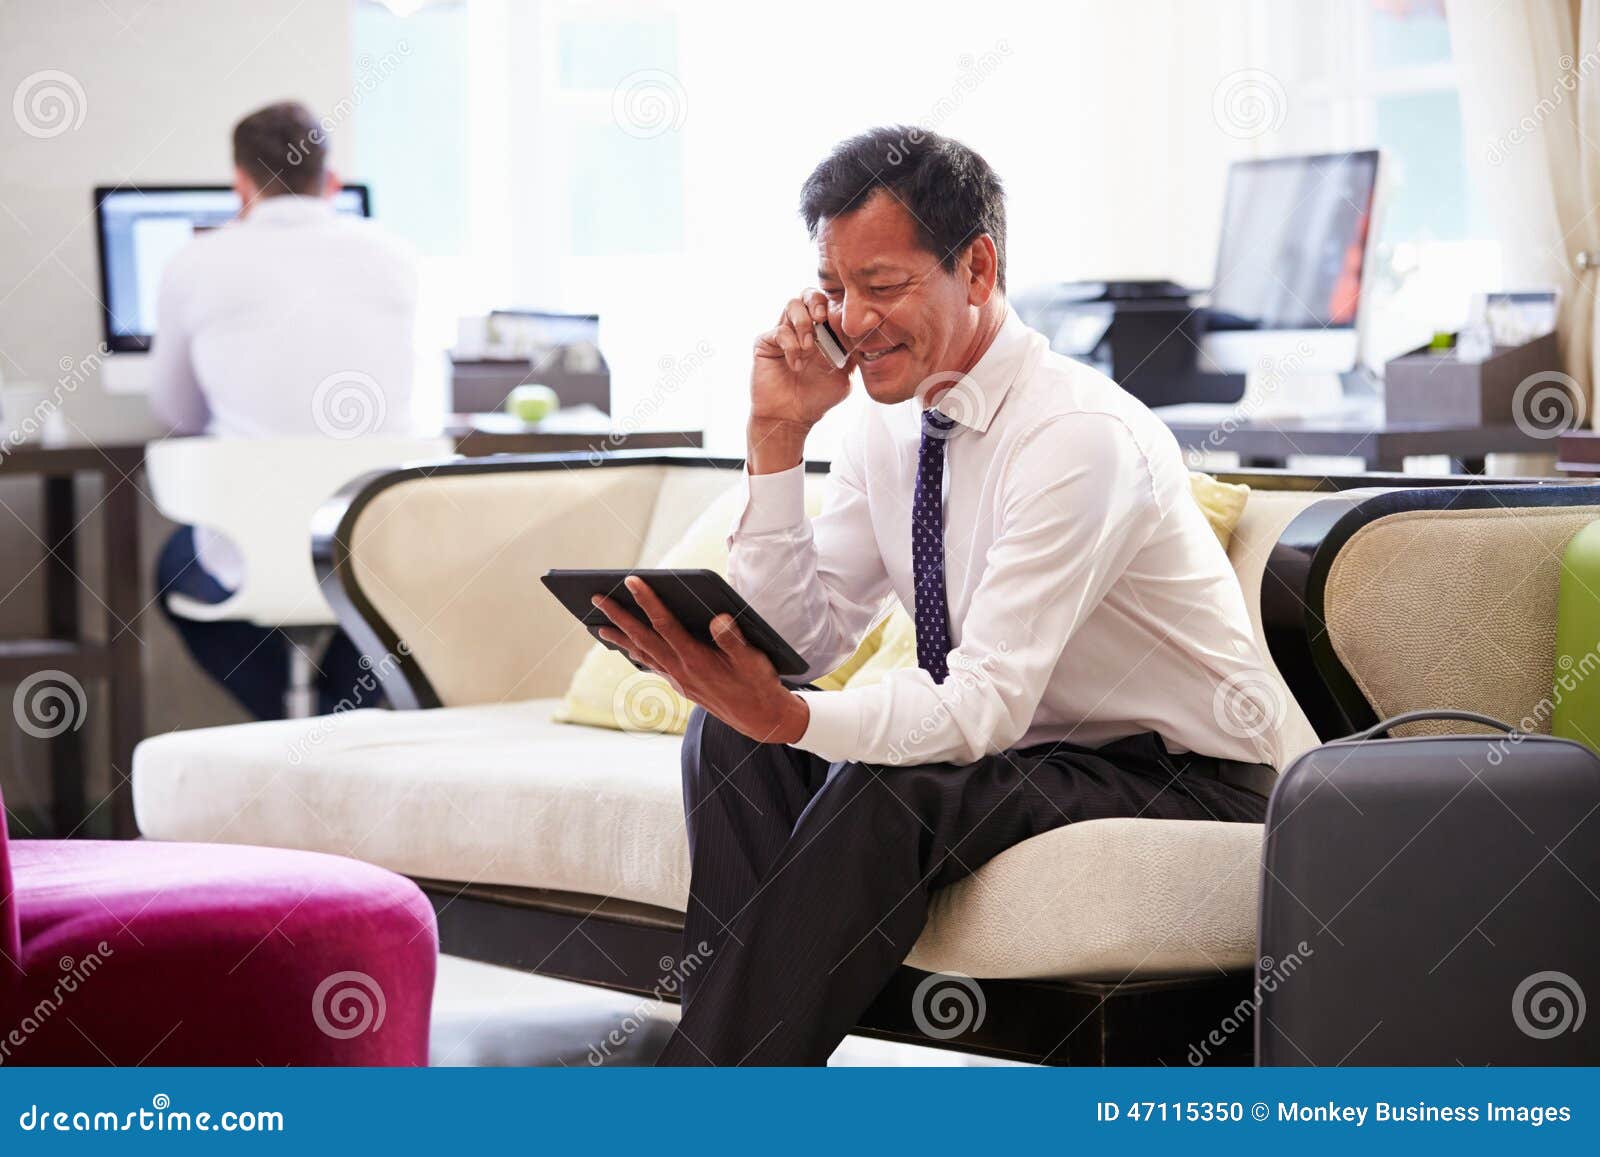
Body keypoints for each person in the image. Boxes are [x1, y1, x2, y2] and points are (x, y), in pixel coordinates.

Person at [591, 126, 1287, 1066]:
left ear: (979, 267)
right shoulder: (890, 421)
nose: (854, 319)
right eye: (836, 290)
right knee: (728, 737)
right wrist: (776, 436)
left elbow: (981, 705)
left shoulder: (1076, 436)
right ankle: (748, 1075)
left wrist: (793, 716)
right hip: (1027, 758)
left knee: (893, 783)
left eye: (884, 286)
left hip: (1183, 778)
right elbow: (803, 637)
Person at [148, 101, 418, 720]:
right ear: (332, 181)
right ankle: (334, 720)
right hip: (370, 554)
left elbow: (176, 414)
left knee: (174, 568)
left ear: (241, 183)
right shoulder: (398, 257)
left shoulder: (195, 262)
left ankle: (288, 725)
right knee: (381, 594)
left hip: (250, 557)